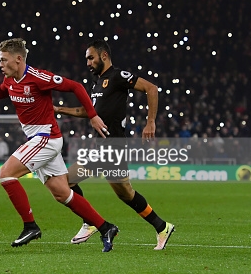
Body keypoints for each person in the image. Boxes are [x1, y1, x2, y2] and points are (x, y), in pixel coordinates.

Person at [0, 38, 119, 252]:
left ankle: (30, 226)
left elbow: (76, 86)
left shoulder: (38, 77)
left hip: (46, 137)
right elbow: (2, 89)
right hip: (37, 139)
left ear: (18, 59)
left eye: (3, 60)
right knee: (62, 193)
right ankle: (106, 227)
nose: (0, 64)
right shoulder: (9, 79)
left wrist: (92, 115)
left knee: (6, 174)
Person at [54, 39, 175, 250]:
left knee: (65, 182)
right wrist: (60, 110)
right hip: (106, 147)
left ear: (104, 56)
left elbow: (152, 89)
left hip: (112, 147)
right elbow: (89, 112)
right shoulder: (97, 83)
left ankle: (90, 221)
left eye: (91, 58)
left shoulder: (118, 76)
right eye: (86, 59)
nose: (88, 63)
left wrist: (151, 121)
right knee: (125, 194)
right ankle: (162, 226)